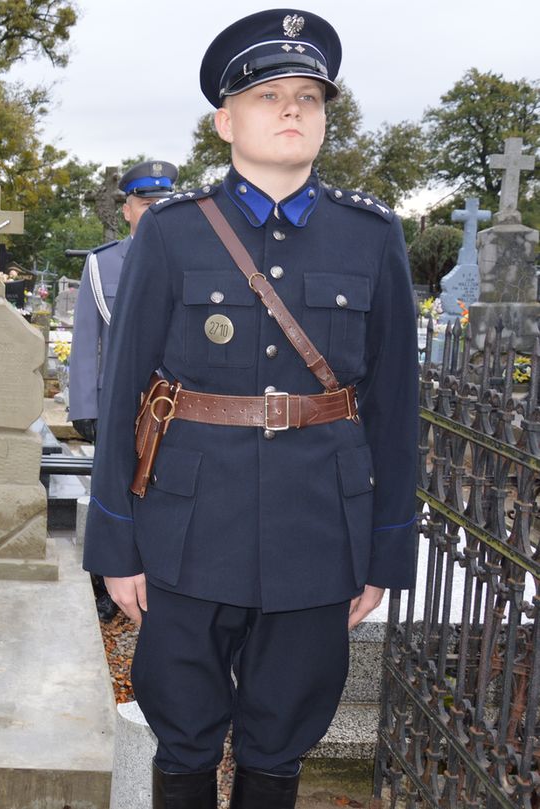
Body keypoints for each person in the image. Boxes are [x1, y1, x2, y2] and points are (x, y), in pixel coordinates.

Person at [83, 10, 418, 808]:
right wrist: (116, 546)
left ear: (326, 118)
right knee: (183, 733)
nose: (292, 108)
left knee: (281, 739)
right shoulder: (172, 232)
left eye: (309, 96)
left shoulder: (371, 235)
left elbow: (395, 407)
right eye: (269, 95)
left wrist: (385, 554)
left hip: (318, 532)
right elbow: (122, 392)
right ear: (225, 122)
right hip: (189, 529)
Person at [70, 160, 177, 621]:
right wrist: (84, 405)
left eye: (162, 203)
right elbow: (85, 340)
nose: (154, 211)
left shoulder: (191, 256)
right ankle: (105, 582)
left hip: (176, 405)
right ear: (128, 210)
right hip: (120, 402)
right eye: (145, 203)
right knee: (111, 490)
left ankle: (163, 576)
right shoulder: (103, 264)